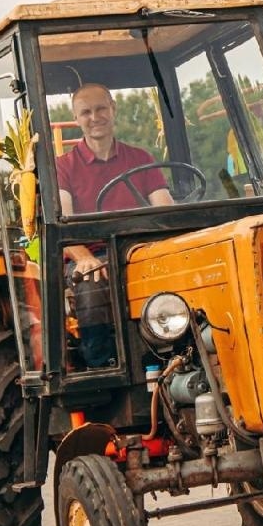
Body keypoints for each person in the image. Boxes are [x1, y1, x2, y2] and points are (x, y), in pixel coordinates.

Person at [55, 82, 175, 368]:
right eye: (86, 112)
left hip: (138, 250)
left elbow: (165, 210)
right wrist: (84, 258)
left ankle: (177, 351)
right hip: (92, 255)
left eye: (101, 109)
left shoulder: (140, 159)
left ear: (113, 109)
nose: (95, 117)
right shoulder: (63, 166)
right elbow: (62, 224)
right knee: (91, 280)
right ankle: (102, 365)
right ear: (76, 118)